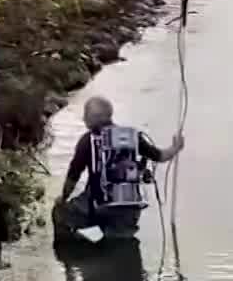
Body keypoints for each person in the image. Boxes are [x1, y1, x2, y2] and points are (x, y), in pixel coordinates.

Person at [55, 96, 182, 240]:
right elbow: (160, 156)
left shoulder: (87, 140)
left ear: (93, 117)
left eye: (86, 115)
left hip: (98, 205)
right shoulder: (132, 136)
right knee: (120, 244)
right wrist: (176, 147)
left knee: (60, 212)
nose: (84, 119)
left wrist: (63, 198)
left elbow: (73, 175)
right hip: (129, 209)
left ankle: (71, 253)